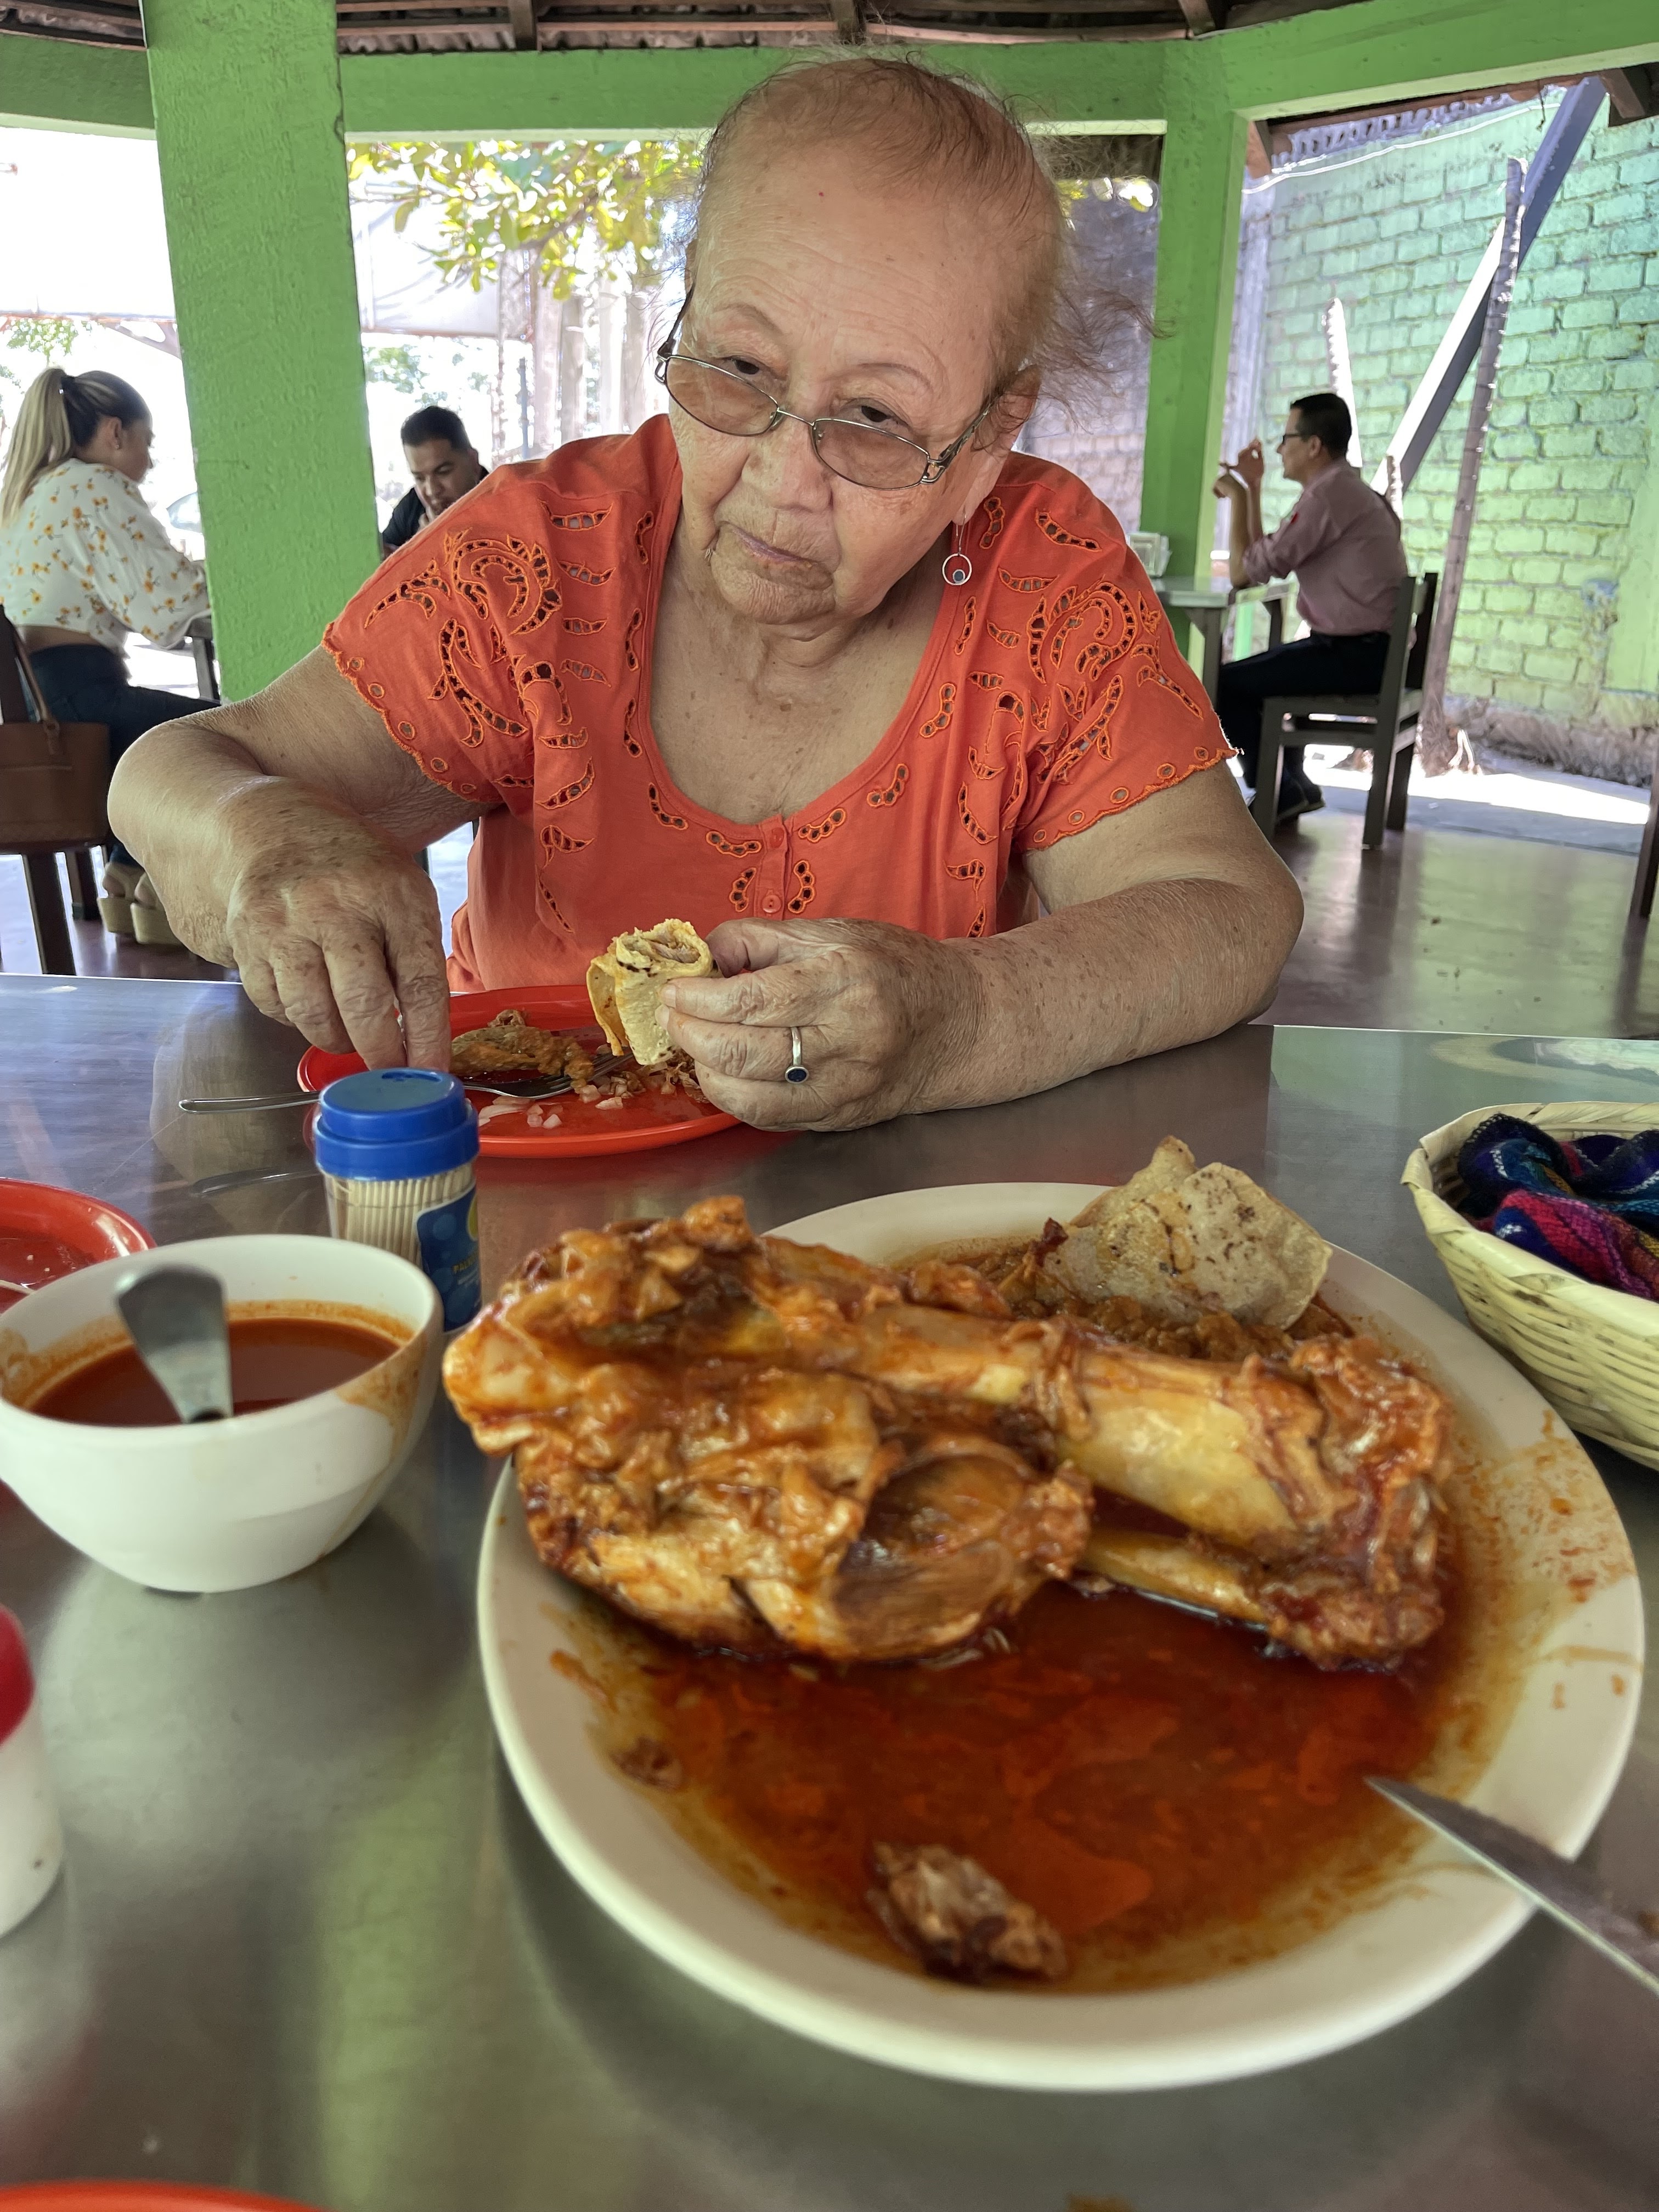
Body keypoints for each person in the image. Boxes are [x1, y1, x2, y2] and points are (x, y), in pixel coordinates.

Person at [110, 57, 1301, 1133]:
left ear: (991, 435)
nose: (783, 487)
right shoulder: (539, 562)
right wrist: (261, 836)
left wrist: (964, 1016)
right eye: (737, 369)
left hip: (895, 1261)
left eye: (878, 420)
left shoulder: (1039, 578)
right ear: (685, 312)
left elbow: (1227, 912)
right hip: (524, 1216)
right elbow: (176, 771)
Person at [0, 365, 210, 945]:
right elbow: (165, 606)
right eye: (148, 440)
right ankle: (155, 881)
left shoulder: (32, 490)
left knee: (153, 729)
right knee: (215, 731)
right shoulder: (93, 485)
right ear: (116, 432)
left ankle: (125, 874)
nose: (148, 458)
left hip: (40, 693)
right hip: (79, 691)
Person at [1212, 392, 1407, 823]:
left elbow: (1244, 575)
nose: (1281, 449)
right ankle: (1294, 787)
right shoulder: (1344, 491)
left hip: (1357, 655)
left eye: (1287, 438)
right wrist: (1253, 487)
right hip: (1370, 650)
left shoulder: (1328, 499)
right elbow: (1265, 559)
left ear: (1314, 445)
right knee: (1272, 670)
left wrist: (1239, 497)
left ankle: (1277, 791)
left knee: (1222, 684)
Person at [380, 407, 488, 555]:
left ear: (473, 463)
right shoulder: (411, 507)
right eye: (420, 478)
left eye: (443, 472)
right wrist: (416, 546)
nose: (431, 491)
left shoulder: (506, 502)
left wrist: (429, 549)